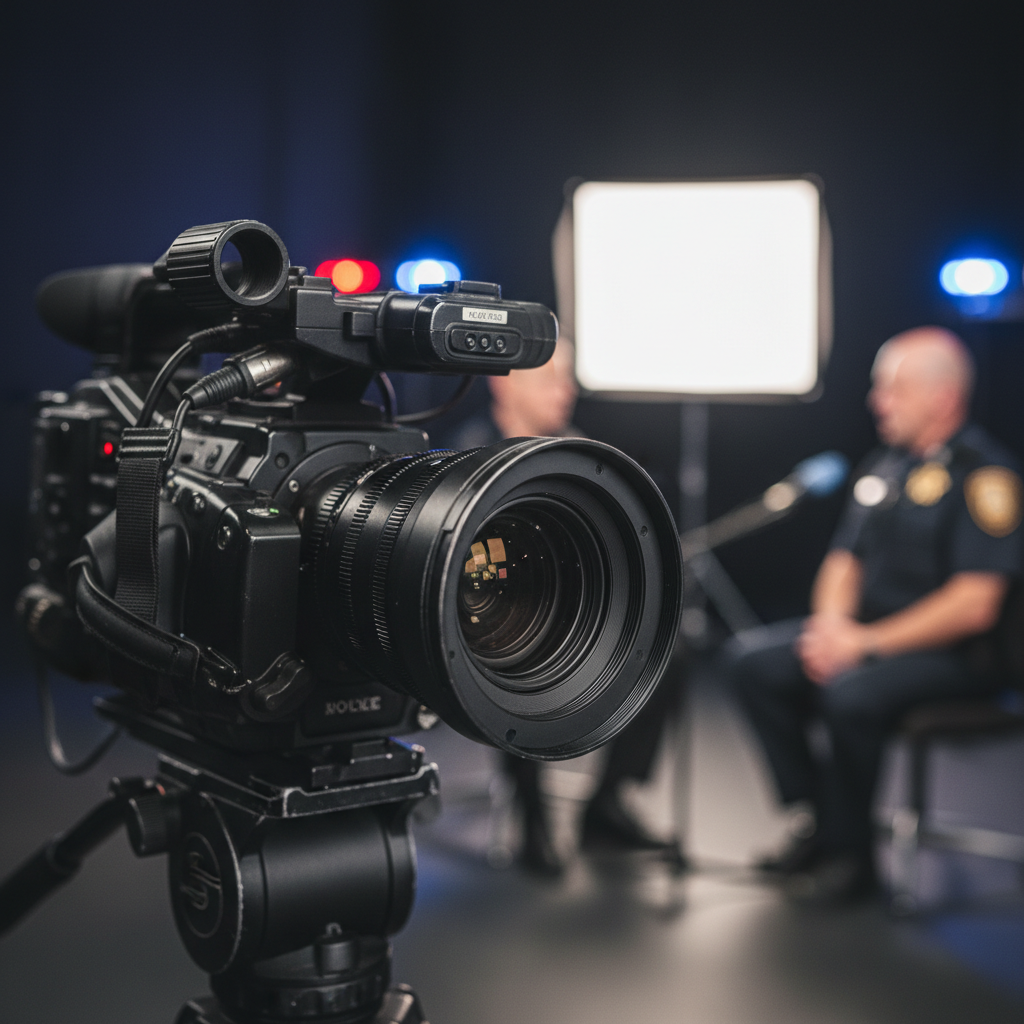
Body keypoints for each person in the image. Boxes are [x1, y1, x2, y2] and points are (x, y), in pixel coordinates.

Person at [730, 326, 1022, 904]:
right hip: (867, 638)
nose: (877, 402)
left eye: (893, 390)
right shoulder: (883, 468)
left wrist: (863, 646)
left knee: (852, 695)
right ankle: (822, 822)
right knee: (752, 665)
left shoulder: (986, 477)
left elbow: (975, 603)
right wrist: (831, 630)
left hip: (958, 655)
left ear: (943, 397)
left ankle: (853, 859)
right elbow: (843, 563)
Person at [450, 337, 685, 877]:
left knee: (670, 653)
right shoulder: (467, 456)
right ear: (505, 381)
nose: (568, 388)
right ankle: (531, 813)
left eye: (569, 376)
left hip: (568, 610)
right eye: (552, 376)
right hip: (483, 624)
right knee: (519, 665)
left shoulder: (578, 454)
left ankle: (608, 802)